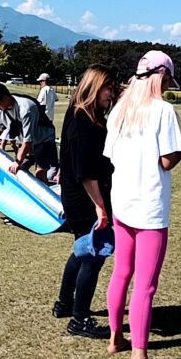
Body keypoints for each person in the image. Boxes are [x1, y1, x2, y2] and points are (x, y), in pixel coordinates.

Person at [103, 50, 181, 359]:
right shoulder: (164, 111)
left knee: (121, 273)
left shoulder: (119, 110)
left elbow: (111, 156)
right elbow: (167, 162)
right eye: (169, 79)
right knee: (145, 285)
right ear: (162, 77)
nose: (170, 86)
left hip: (122, 203)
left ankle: (116, 338)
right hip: (149, 208)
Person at [53, 64, 118, 339]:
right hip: (85, 195)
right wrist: (100, 207)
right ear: (94, 87)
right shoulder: (83, 119)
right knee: (94, 254)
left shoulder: (83, 113)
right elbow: (85, 171)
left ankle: (64, 304)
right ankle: (80, 319)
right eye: (108, 87)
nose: (111, 93)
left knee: (81, 249)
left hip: (80, 194)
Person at [0, 83, 58, 184]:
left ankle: (48, 196)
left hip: (44, 140)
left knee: (41, 173)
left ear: (5, 98)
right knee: (18, 170)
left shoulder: (27, 109)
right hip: (27, 143)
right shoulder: (1, 108)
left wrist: (17, 162)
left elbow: (28, 140)